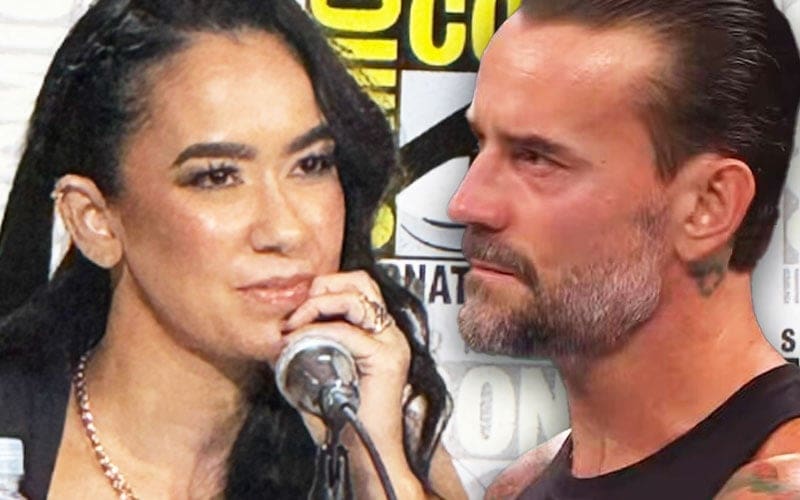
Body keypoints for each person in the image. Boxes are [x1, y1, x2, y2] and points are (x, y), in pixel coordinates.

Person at [0, 0, 466, 498]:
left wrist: (373, 469)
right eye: (217, 177)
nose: (285, 229)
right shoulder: (15, 431)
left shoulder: (383, 448)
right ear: (94, 220)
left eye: (311, 164)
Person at [446, 0, 800, 498]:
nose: (466, 203)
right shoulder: (522, 484)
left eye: (537, 158)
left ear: (707, 205)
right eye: (479, 144)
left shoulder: (779, 482)